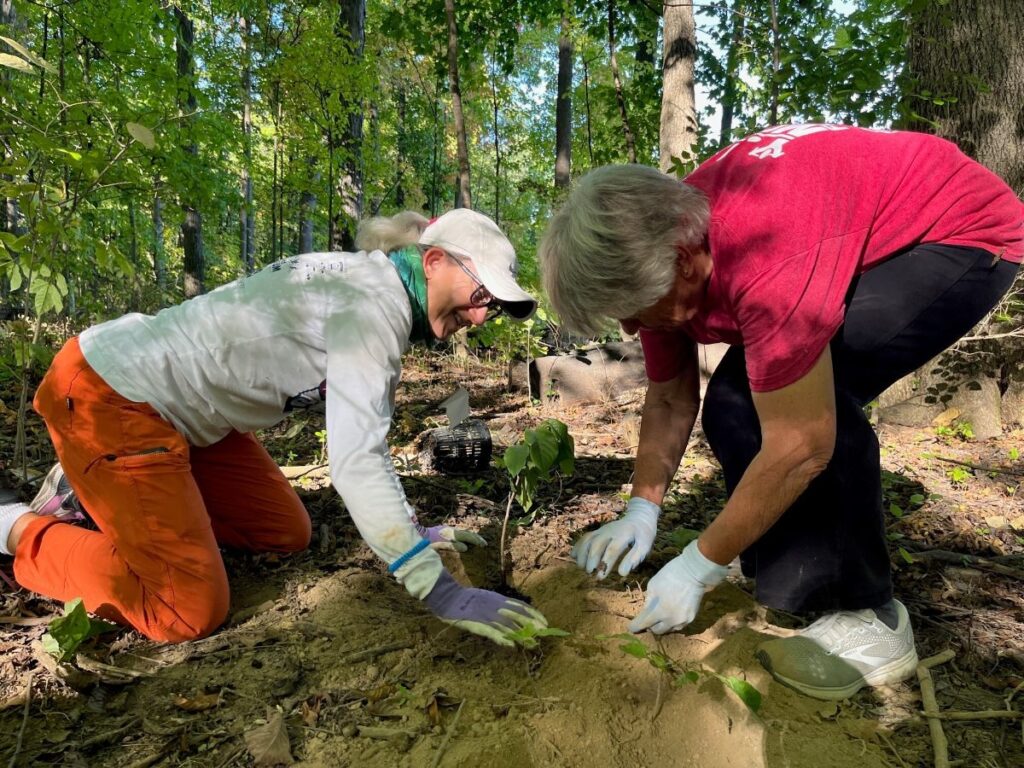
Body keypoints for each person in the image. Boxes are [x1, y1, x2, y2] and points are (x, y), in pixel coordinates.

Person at [539, 124, 1022, 700]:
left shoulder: (765, 254)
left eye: (635, 310)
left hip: (956, 232)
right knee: (737, 399)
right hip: (846, 230)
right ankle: (791, 570)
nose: (629, 329)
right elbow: (670, 395)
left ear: (686, 261)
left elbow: (803, 443)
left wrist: (699, 563)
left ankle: (872, 621)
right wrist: (641, 508)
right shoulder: (658, 250)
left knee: (780, 401)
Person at [0, 208, 548, 646]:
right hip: (111, 395)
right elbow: (357, 461)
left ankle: (111, 494)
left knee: (285, 533)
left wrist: (408, 528)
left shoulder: (370, 288)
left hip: (190, 418)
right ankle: (17, 527)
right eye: (481, 295)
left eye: (492, 307)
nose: (479, 317)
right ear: (432, 262)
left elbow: (366, 439)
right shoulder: (371, 308)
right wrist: (439, 590)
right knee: (184, 609)